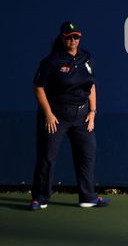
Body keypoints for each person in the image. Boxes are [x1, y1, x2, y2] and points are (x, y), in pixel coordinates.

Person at [29, 21, 110, 211]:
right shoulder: (51, 61)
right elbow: (38, 87)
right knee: (47, 157)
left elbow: (91, 85)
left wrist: (92, 112)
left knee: (87, 155)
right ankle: (40, 198)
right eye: (68, 37)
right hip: (56, 117)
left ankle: (87, 197)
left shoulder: (85, 57)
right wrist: (48, 114)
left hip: (81, 117)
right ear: (62, 38)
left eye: (76, 37)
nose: (73, 40)